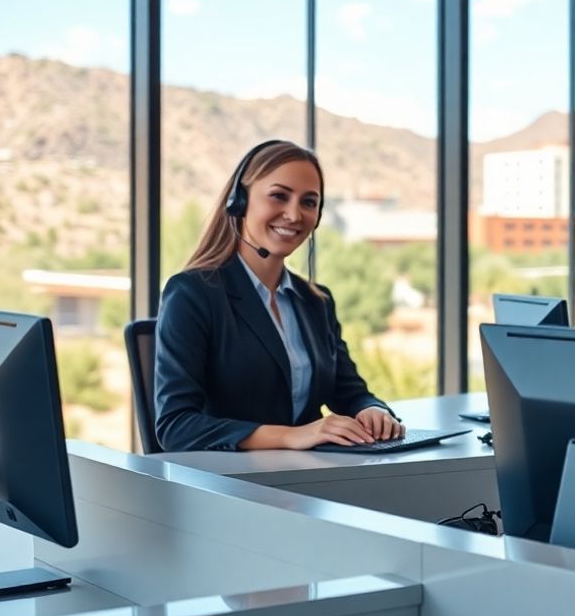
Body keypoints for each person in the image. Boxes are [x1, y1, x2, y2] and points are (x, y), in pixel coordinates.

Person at [153, 139, 403, 452]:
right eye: (279, 196)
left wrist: (373, 410)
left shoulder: (316, 302)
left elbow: (350, 392)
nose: (294, 215)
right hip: (229, 476)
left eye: (308, 202)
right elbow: (176, 426)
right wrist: (290, 436)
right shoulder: (192, 294)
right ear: (240, 202)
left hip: (310, 473)